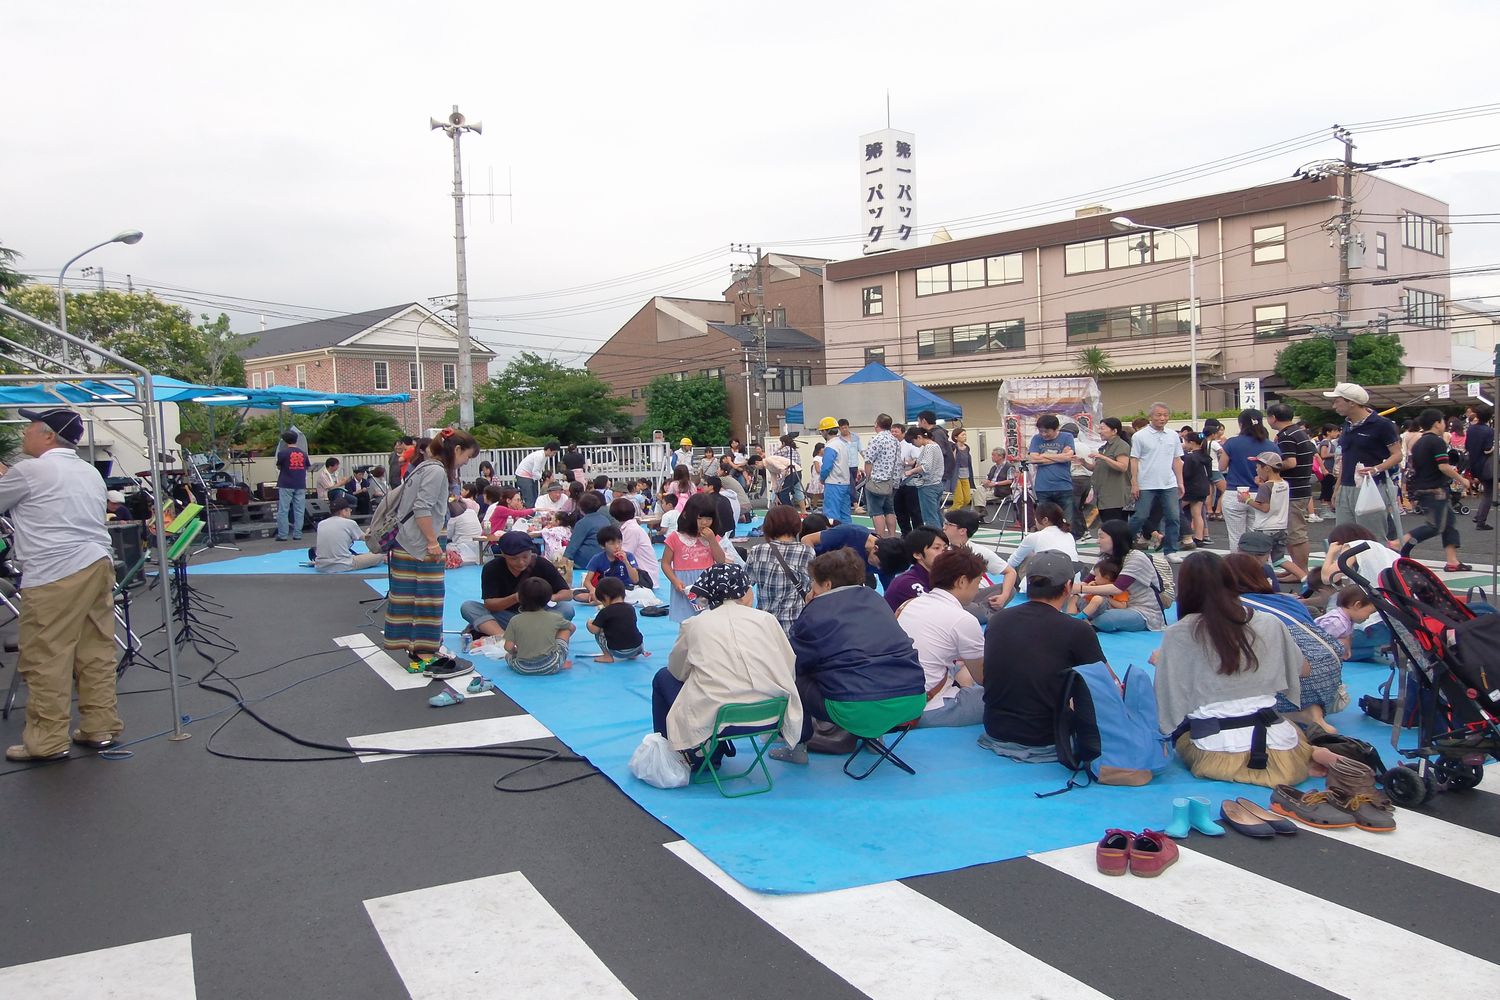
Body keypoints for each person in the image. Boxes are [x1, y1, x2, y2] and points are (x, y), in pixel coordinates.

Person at [0, 408, 122, 761]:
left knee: (46, 656)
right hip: (96, 562)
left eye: (30, 428)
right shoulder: (89, 471)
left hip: (55, 571)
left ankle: (47, 741)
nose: (24, 433)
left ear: (48, 435)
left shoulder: (31, 470)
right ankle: (100, 727)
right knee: (95, 650)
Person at [1153, 551, 1329, 787]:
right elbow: (1303, 669)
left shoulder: (1180, 633)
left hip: (1217, 752)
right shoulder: (1269, 621)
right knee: (1281, 722)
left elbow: (1167, 703)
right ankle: (1315, 752)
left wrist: (1167, 662)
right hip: (1283, 747)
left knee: (1181, 731)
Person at [773, 549, 925, 764]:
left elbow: (795, 661)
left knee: (794, 677)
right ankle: (875, 738)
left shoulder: (817, 610)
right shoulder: (876, 599)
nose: (811, 587)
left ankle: (797, 746)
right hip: (913, 700)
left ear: (827, 584)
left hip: (855, 708)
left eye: (814, 582)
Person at [651, 564, 803, 762]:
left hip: (717, 717)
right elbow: (788, 663)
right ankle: (707, 748)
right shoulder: (766, 620)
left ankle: (677, 754)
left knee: (663, 677)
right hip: (772, 712)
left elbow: (677, 670)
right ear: (744, 590)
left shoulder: (694, 624)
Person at [980, 550, 1106, 762]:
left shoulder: (999, 619)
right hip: (1045, 736)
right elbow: (1105, 683)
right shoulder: (1076, 629)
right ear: (1068, 587)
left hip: (995, 728)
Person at [382, 429, 478, 671]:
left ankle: (416, 650)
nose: (466, 462)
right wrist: (433, 542)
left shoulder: (424, 466)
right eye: (467, 456)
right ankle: (426, 652)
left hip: (408, 541)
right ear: (457, 450)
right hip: (421, 544)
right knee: (428, 597)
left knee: (408, 597)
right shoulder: (436, 471)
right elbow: (422, 508)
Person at [1222, 552, 1343, 736]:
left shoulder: (1234, 607)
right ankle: (1313, 711)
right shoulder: (1287, 600)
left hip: (1293, 682)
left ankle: (1287, 716)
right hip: (1330, 679)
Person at [899, 548, 988, 728]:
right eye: (978, 582)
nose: (978, 589)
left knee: (961, 665)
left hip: (892, 698)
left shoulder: (909, 604)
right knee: (1009, 698)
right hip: (929, 707)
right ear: (962, 581)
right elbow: (983, 678)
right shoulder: (963, 619)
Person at [462, 530, 577, 639]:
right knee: (468, 607)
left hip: (538, 617)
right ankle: (504, 638)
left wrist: (550, 597)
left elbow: (567, 594)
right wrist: (515, 598)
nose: (521, 562)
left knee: (566, 608)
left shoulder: (542, 564)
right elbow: (489, 604)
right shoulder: (492, 568)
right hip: (507, 617)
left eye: (525, 557)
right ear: (503, 554)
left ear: (531, 552)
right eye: (514, 559)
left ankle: (524, 634)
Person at [1326, 382, 1403, 543]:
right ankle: (1350, 561)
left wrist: (1376, 468)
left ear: (1351, 402)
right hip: (1346, 486)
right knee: (1344, 537)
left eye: (1337, 401)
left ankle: (1378, 560)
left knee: (1372, 537)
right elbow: (1346, 457)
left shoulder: (1382, 425)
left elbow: (1397, 455)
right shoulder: (1347, 425)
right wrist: (1337, 487)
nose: (1334, 406)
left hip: (1372, 486)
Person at [1399, 407, 1473, 572]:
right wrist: (1462, 480)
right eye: (1443, 421)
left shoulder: (1418, 443)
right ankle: (1400, 542)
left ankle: (1452, 561)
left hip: (1423, 488)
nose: (1445, 424)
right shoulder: (1436, 442)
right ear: (1437, 423)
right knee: (1435, 526)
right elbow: (1443, 466)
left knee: (1449, 524)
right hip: (1435, 490)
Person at [1075, 519, 1166, 633]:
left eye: (1101, 537)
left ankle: (1081, 622)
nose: (1098, 541)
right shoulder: (1105, 557)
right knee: (1074, 600)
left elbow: (1117, 588)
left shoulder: (1136, 558)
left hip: (1140, 610)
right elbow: (1087, 581)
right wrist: (1074, 592)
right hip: (1110, 604)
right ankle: (1079, 620)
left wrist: (1081, 589)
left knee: (1107, 619)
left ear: (1116, 538)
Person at [1267, 402, 1318, 576]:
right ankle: (1297, 571)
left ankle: (1301, 572)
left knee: (1296, 533)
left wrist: (1270, 467)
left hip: (1294, 489)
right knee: (1292, 533)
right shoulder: (1298, 432)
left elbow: (1290, 462)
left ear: (1273, 418)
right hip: (1301, 486)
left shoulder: (1286, 435)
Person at [745, 504, 813, 635]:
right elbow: (811, 587)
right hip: (795, 626)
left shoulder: (757, 551)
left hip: (765, 626)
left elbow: (745, 584)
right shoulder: (807, 552)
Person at [1127, 402, 1185, 556]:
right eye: (1159, 415)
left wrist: (1180, 482)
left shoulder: (1173, 435)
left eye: (1165, 415)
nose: (1162, 418)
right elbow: (1134, 460)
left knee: (1173, 517)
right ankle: (1123, 543)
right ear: (1150, 416)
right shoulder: (1139, 436)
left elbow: (1177, 460)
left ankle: (1171, 550)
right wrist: (1134, 482)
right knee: (1141, 516)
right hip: (1146, 483)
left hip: (1169, 483)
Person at [660, 493, 727, 623]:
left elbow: (720, 560)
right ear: (687, 515)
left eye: (709, 518)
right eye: (700, 518)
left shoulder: (712, 538)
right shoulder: (675, 537)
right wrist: (674, 580)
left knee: (708, 620)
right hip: (684, 587)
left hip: (707, 585)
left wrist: (712, 540)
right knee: (686, 622)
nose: (704, 522)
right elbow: (665, 563)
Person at [942, 508, 1019, 617]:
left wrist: (1004, 596)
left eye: (948, 524)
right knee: (962, 606)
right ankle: (986, 614)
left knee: (1009, 589)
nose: (944, 527)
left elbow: (1010, 572)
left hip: (975, 594)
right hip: (951, 595)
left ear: (962, 531)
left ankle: (981, 612)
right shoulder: (940, 548)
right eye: (944, 523)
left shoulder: (979, 551)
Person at [1248, 450, 1303, 580]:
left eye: (1258, 466)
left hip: (1265, 527)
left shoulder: (1265, 487)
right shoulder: (1284, 483)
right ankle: (1303, 576)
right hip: (1281, 527)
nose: (1256, 469)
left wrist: (1247, 500)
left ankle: (1262, 581)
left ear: (1267, 468)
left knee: (1258, 558)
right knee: (1279, 559)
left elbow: (1264, 507)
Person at [1221, 408, 1270, 552]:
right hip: (1260, 494)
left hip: (1235, 493)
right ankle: (1257, 563)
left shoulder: (1232, 443)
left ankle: (1238, 564)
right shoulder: (1270, 445)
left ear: (1241, 424)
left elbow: (1222, 466)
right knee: (1256, 536)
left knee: (1236, 537)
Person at [503, 577, 576, 674]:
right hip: (551, 665)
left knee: (507, 656)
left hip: (523, 667)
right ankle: (562, 661)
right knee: (565, 629)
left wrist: (515, 652)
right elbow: (572, 628)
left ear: (519, 598)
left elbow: (508, 647)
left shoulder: (515, 620)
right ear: (548, 599)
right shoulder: (555, 617)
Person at [1003, 501, 1078, 584]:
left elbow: (1012, 562)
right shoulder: (1068, 535)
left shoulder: (1034, 537)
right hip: (1073, 581)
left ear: (1045, 520)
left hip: (1049, 583)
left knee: (1027, 557)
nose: (1035, 521)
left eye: (1036, 518)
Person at [1027, 414, 1076, 528]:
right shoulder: (1036, 438)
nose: (1043, 434)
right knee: (1044, 521)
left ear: (1056, 428)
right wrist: (1060, 456)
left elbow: (1069, 457)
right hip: (1042, 487)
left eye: (1047, 431)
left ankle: (1066, 538)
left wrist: (1043, 455)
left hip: (1063, 486)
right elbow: (1033, 459)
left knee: (1066, 521)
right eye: (1041, 431)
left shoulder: (1067, 436)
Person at [313, 496, 385, 573]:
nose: (350, 512)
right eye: (350, 510)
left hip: (320, 565)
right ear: (344, 511)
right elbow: (366, 538)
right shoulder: (349, 523)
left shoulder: (321, 524)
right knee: (380, 554)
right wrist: (370, 531)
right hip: (343, 564)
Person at [883, 526, 948, 612]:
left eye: (945, 548)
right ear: (917, 554)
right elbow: (939, 611)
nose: (944, 553)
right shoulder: (906, 583)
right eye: (936, 548)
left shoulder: (939, 576)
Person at [1082, 417, 1131, 525]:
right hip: (1103, 495)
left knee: (1115, 526)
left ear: (1114, 431)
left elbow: (1123, 466)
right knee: (1107, 525)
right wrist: (1083, 462)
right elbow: (1096, 468)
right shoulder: (1104, 447)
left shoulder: (1121, 445)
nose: (1100, 432)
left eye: (1102, 428)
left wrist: (1103, 457)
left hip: (1115, 496)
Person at [586, 577, 648, 662]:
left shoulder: (605, 612)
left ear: (606, 597)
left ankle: (607, 656)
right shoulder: (630, 608)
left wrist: (588, 623)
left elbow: (594, 630)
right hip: (637, 648)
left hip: (618, 652)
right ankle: (634, 655)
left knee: (599, 632)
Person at [609, 496, 662, 589]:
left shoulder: (631, 530)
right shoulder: (630, 527)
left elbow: (623, 554)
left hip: (644, 577)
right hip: (641, 572)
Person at [862, 413, 901, 538]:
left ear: (877, 424)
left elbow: (868, 461)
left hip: (876, 480)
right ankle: (892, 536)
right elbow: (898, 462)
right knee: (889, 510)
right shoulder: (895, 440)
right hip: (890, 481)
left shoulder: (876, 439)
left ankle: (880, 538)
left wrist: (868, 478)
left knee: (876, 511)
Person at [1316, 586, 1379, 660]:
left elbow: (1347, 635)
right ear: (1358, 605)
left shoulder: (1348, 620)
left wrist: (1347, 647)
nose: (1368, 617)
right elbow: (1319, 643)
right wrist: (1340, 644)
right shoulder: (1336, 623)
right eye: (1370, 613)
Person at [274, 429, 310, 541]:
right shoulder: (303, 454)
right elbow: (307, 466)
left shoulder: (282, 453)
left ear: (285, 441)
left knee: (283, 510)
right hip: (300, 483)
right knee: (299, 510)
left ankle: (283, 535)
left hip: (286, 483)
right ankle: (297, 534)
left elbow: (279, 466)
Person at [817, 417, 852, 524]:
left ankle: (834, 535)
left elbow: (827, 466)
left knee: (831, 516)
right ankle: (848, 534)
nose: (821, 433)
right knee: (845, 514)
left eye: (821, 431)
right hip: (845, 483)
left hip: (833, 484)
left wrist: (822, 478)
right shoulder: (843, 444)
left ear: (826, 431)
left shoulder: (830, 446)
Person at [1180, 431, 1212, 547]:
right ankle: (1199, 538)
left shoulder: (1190, 457)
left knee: (1176, 509)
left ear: (1191, 443)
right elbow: (1210, 474)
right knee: (1197, 513)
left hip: (1191, 488)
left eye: (1185, 442)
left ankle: (1185, 534)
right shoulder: (1206, 456)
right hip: (1203, 487)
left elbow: (1186, 474)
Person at [910, 425, 946, 528]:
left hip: (928, 485)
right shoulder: (935, 445)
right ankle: (942, 534)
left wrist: (911, 471)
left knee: (930, 516)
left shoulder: (928, 447)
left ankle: (935, 536)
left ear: (919, 437)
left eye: (913, 442)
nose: (913, 445)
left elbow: (926, 467)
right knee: (936, 513)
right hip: (937, 483)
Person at [1465, 404, 1494, 530]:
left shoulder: (1471, 429)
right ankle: (1481, 521)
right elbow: (1487, 449)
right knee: (1488, 493)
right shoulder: (1489, 431)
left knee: (1487, 491)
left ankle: (1478, 516)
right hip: (1486, 464)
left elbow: (1467, 446)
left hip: (1473, 463)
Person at [893, 424, 922, 533]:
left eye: (896, 431)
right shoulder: (891, 445)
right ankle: (905, 533)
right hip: (896, 482)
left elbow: (918, 461)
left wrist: (906, 463)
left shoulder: (910, 446)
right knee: (899, 510)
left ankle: (918, 534)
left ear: (903, 433)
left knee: (914, 510)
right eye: (892, 431)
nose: (894, 434)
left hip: (909, 481)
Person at [514, 441, 560, 507]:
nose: (554, 455)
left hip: (530, 476)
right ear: (549, 450)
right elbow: (535, 471)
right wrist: (542, 479)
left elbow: (539, 470)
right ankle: (530, 513)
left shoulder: (544, 456)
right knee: (530, 499)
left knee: (535, 498)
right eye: (554, 452)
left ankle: (534, 511)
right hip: (523, 476)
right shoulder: (539, 456)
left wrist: (541, 479)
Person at [768, 433, 805, 512]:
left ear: (783, 442)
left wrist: (780, 447)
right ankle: (803, 511)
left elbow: (774, 455)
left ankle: (786, 510)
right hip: (797, 472)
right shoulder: (794, 450)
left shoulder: (785, 449)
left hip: (789, 473)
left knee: (781, 492)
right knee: (798, 492)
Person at [948, 428, 976, 511]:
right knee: (959, 500)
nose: (965, 436)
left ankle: (950, 511)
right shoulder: (953, 447)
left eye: (965, 434)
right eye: (963, 435)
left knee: (967, 499)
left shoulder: (967, 448)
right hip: (956, 475)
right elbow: (951, 460)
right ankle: (951, 513)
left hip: (965, 474)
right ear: (956, 437)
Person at [807, 441, 826, 510]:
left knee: (821, 493)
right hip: (818, 478)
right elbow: (818, 469)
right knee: (817, 493)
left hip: (823, 477)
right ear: (819, 450)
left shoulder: (824, 457)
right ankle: (814, 505)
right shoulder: (816, 458)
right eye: (823, 448)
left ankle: (815, 505)